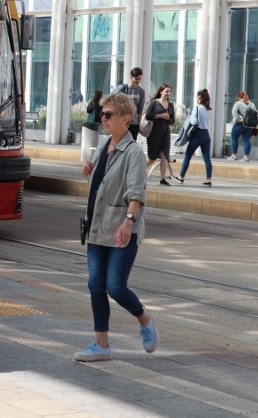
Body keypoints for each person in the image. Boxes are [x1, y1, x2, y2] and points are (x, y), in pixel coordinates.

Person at [76, 92, 156, 362]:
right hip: (98, 228)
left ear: (126, 119)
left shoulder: (133, 153)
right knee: (95, 285)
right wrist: (92, 171)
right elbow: (103, 185)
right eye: (103, 114)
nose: (103, 119)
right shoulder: (104, 146)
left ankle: (145, 320)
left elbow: (137, 194)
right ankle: (102, 345)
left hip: (122, 229)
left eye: (108, 115)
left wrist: (128, 222)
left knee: (116, 287)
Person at [176, 89, 213, 186]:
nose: (196, 98)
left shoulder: (197, 108)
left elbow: (193, 121)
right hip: (206, 134)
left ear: (200, 98)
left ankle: (181, 177)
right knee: (207, 158)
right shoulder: (209, 110)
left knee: (188, 156)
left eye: (197, 96)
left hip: (197, 134)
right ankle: (208, 179)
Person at [145, 84, 175, 186]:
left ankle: (162, 178)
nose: (168, 93)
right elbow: (148, 115)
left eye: (170, 92)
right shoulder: (155, 103)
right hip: (154, 133)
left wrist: (168, 118)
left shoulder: (170, 105)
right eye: (166, 91)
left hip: (165, 133)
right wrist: (160, 116)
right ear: (161, 91)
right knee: (152, 157)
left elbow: (172, 120)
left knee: (165, 156)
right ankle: (139, 170)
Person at [112, 67, 146, 140]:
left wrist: (139, 125)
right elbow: (111, 101)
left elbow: (140, 110)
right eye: (136, 78)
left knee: (131, 145)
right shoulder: (122, 88)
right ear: (131, 77)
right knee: (119, 143)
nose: (138, 81)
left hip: (134, 123)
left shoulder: (141, 91)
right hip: (122, 122)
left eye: (140, 79)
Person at [228, 91, 256, 162]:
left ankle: (234, 156)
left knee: (234, 138)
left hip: (240, 123)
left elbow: (234, 111)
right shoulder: (252, 104)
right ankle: (245, 157)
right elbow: (256, 113)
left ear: (239, 97)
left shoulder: (238, 103)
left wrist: (237, 119)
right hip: (249, 125)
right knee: (246, 140)